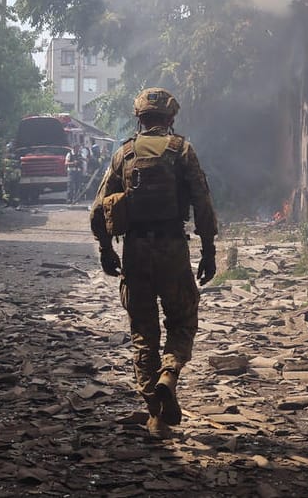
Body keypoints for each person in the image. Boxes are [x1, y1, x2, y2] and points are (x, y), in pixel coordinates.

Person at [90, 88, 218, 439]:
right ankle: (170, 373)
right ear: (170, 119)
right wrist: (209, 251)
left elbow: (98, 211)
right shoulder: (182, 151)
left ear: (139, 119)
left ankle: (155, 414)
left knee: (143, 333)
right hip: (173, 249)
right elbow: (203, 205)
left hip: (135, 252)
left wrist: (106, 250)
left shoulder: (124, 155)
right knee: (183, 320)